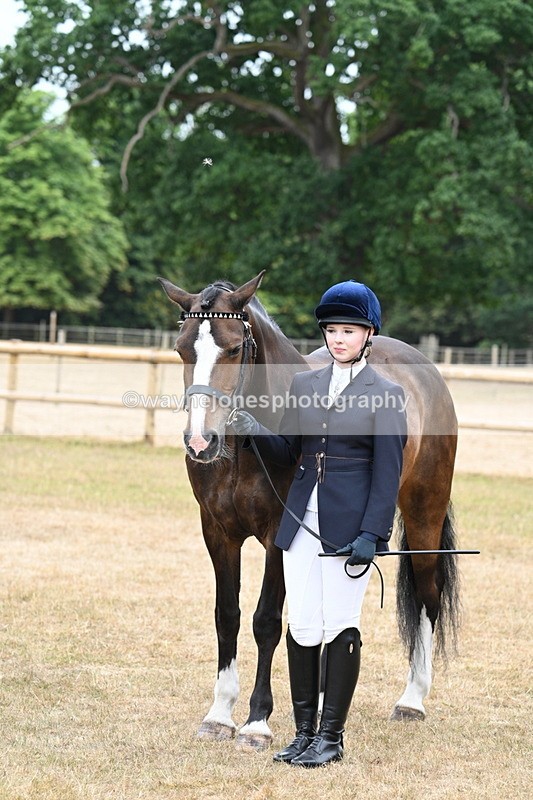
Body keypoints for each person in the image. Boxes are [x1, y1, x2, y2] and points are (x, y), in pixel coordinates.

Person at [231, 280, 407, 768]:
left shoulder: (386, 395)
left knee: (339, 625)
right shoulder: (304, 385)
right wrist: (251, 427)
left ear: (368, 335)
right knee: (303, 625)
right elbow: (289, 452)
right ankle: (303, 733)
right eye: (332, 330)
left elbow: (387, 474)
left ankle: (332, 737)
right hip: (299, 522)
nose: (338, 339)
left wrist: (373, 533)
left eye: (349, 330)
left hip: (349, 528)